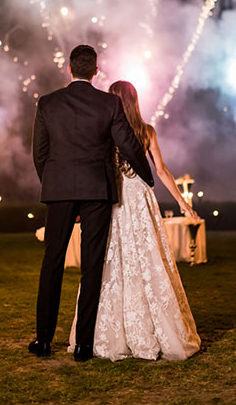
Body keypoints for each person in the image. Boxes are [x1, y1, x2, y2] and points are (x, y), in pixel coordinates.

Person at [30, 46, 154, 362]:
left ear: (69, 69)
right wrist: (147, 176)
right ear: (95, 71)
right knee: (92, 267)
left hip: (58, 188)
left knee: (52, 263)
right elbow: (127, 144)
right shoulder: (109, 103)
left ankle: (43, 341)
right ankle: (84, 345)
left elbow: (39, 154)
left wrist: (54, 182)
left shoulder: (48, 103)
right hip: (97, 189)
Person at [69, 80, 201, 361]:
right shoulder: (145, 131)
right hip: (139, 199)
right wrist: (181, 203)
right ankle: (150, 328)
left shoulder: (105, 130)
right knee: (145, 259)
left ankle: (109, 331)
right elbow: (162, 171)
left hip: (114, 197)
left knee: (111, 261)